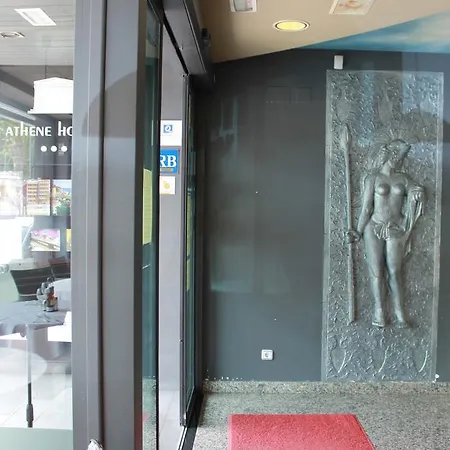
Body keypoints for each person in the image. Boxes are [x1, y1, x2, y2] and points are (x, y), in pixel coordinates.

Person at [348, 139, 425, 328]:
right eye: (399, 155)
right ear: (390, 154)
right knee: (376, 272)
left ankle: (400, 314)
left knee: (394, 271)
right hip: (373, 227)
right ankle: (379, 312)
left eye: (403, 157)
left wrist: (418, 193)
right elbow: (367, 208)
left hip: (395, 228)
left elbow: (417, 190)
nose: (400, 160)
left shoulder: (404, 179)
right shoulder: (372, 178)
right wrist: (358, 231)